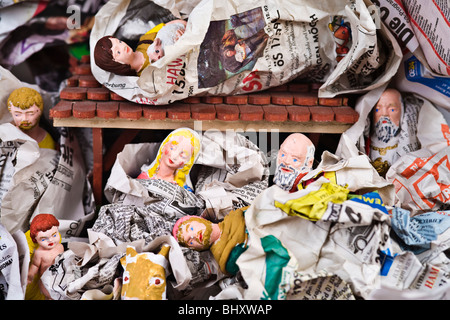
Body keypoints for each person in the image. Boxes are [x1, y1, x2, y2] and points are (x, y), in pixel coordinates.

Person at [93, 19, 186, 76]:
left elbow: (168, 25)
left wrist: (184, 29)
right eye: (118, 52)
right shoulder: (145, 76)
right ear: (116, 65)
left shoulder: (145, 39)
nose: (123, 47)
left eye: (120, 42)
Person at [173, 207, 248, 276]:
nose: (194, 236)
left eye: (191, 228)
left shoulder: (235, 215)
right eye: (190, 241)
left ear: (201, 220)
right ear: (197, 249)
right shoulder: (227, 259)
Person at [27, 214, 64, 299]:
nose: (50, 240)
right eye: (43, 239)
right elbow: (35, 265)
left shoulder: (60, 246)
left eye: (54, 235)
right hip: (46, 281)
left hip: (60, 277)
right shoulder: (40, 253)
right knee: (49, 296)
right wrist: (30, 276)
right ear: (35, 240)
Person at [367, 88, 403, 176]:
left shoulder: (403, 142)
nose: (384, 114)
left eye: (392, 109)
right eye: (377, 109)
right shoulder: (366, 141)